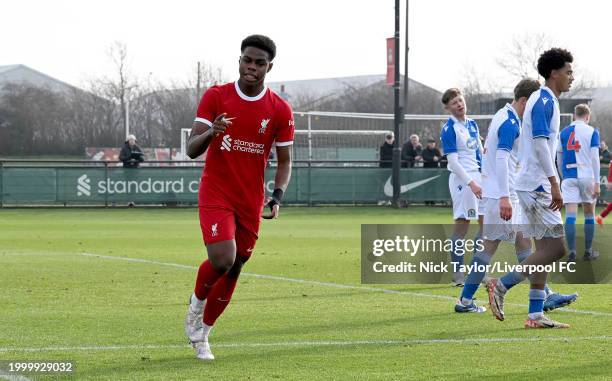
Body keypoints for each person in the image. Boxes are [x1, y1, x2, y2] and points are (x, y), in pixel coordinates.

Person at [184, 34, 294, 360]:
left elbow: (285, 161)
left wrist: (276, 197)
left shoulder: (279, 109)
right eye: (248, 60)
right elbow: (191, 150)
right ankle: (195, 305)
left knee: (236, 267)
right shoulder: (217, 96)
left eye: (259, 63)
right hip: (217, 191)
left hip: (251, 199)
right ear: (240, 60)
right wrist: (211, 132)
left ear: (268, 67)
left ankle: (203, 333)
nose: (252, 67)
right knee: (223, 259)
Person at [455, 78, 576, 314]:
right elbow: (501, 158)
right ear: (524, 100)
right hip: (502, 194)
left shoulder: (503, 115)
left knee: (514, 244)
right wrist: (504, 197)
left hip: (497, 193)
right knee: (497, 247)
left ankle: (467, 300)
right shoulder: (510, 122)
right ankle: (480, 296)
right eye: (530, 105)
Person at [486, 48, 575, 329]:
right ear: (554, 73)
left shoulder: (543, 99)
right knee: (557, 249)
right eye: (568, 72)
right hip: (537, 186)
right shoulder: (544, 100)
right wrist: (554, 182)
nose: (571, 77)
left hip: (530, 184)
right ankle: (501, 285)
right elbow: (539, 145)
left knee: (544, 250)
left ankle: (535, 314)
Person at [439, 88, 484, 286]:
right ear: (447, 108)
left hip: (479, 179)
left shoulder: (472, 124)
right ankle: (458, 275)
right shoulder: (449, 129)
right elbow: (454, 162)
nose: (459, 104)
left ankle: (477, 271)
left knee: (486, 225)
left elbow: (480, 152)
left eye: (460, 100)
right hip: (463, 182)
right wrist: (471, 183)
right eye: (454, 102)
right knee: (462, 227)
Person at [557, 104, 600, 261]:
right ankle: (588, 252)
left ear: (574, 116)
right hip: (587, 175)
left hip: (569, 176)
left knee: (570, 215)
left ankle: (572, 252)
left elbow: (559, 157)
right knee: (589, 213)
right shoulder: (592, 131)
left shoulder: (563, 132)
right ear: (587, 117)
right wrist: (596, 182)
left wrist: (564, 177)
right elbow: (595, 158)